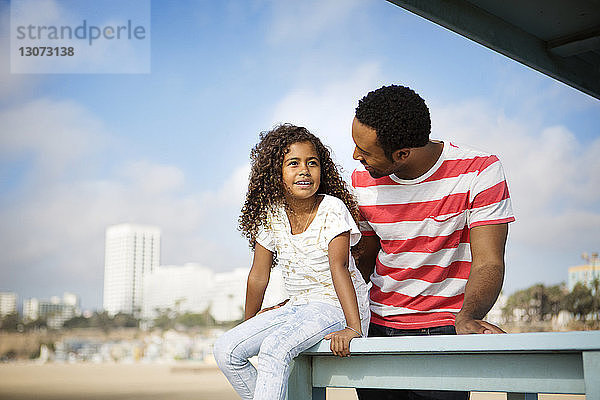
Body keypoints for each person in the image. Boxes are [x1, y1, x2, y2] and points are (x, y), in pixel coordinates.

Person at [350, 85, 515, 400]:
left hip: (445, 332)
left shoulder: (480, 170)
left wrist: (468, 318)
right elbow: (362, 263)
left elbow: (489, 262)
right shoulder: (361, 182)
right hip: (376, 331)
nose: (356, 156)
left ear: (402, 154)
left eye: (365, 151)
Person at [213, 124, 370, 400]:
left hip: (338, 306)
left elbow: (340, 268)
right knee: (226, 349)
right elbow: (258, 276)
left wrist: (354, 327)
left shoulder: (332, 209)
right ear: (276, 173)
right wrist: (250, 325)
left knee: (276, 347)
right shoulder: (272, 215)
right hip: (298, 307)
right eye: (293, 163)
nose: (304, 170)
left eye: (312, 163)